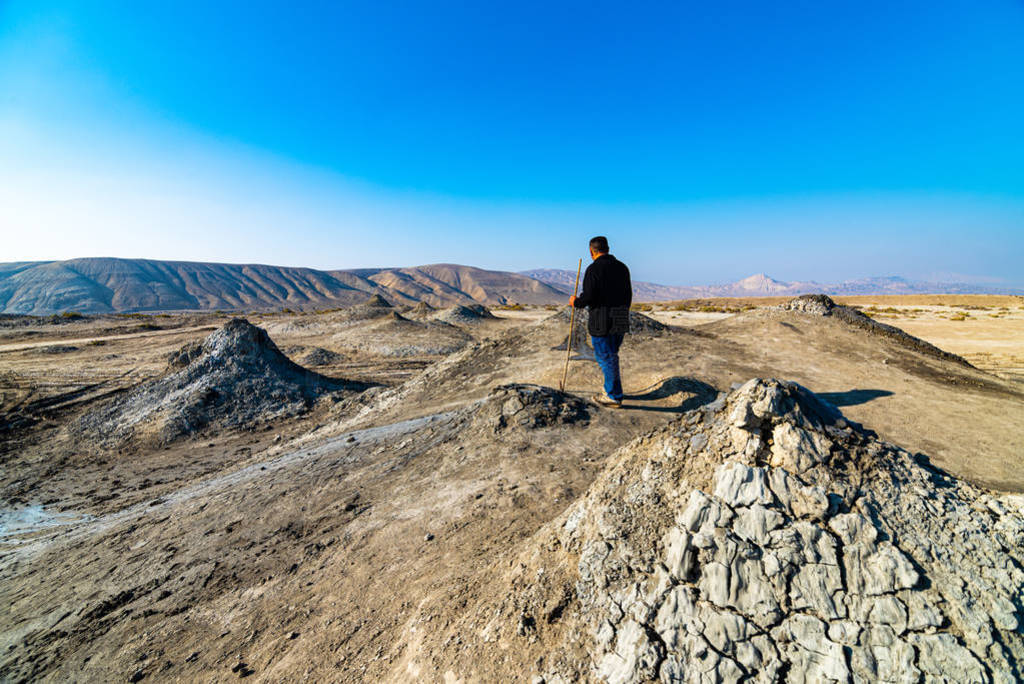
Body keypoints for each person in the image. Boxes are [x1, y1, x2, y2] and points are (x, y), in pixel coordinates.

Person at [569, 236, 632, 407]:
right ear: (608, 248)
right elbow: (628, 294)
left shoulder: (594, 269)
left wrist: (576, 302)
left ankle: (613, 396)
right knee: (612, 355)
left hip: (602, 320)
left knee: (606, 357)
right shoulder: (622, 267)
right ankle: (611, 389)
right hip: (620, 317)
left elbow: (588, 297)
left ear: (591, 251)